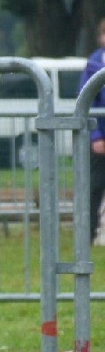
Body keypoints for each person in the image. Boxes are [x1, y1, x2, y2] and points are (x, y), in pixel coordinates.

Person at [79, 18, 105, 244]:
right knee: (94, 188)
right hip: (100, 140)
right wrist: (95, 136)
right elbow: (86, 102)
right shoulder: (93, 65)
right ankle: (87, 235)